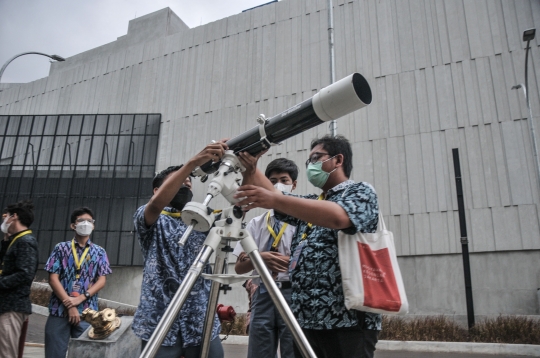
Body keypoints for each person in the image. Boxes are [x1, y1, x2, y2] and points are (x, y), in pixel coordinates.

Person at [235, 135, 381, 358]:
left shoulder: (360, 192)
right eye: (308, 161)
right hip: (305, 319)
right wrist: (251, 166)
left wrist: (276, 199)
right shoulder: (311, 204)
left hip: (346, 319)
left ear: (338, 160)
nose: (310, 165)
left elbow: (338, 218)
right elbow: (278, 198)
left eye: (316, 158)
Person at [132, 141, 228, 358]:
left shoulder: (205, 218)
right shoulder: (150, 218)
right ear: (157, 190)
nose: (187, 183)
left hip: (200, 319)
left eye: (189, 181)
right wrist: (192, 163)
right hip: (159, 320)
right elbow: (155, 205)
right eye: (179, 180)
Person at [233, 158, 299, 358]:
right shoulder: (255, 223)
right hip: (263, 293)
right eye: (273, 180)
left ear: (294, 184)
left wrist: (292, 263)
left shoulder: (305, 220)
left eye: (284, 180)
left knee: (294, 349)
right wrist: (259, 259)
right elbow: (239, 267)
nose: (279, 184)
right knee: (260, 351)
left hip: (293, 293)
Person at [44, 207, 112, 358]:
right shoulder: (61, 248)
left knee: (85, 354)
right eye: (81, 221)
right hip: (59, 311)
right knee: (54, 354)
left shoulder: (99, 252)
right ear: (73, 225)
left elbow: (101, 280)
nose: (86, 224)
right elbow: (52, 278)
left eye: (89, 221)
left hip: (88, 313)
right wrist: (70, 303)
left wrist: (80, 298)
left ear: (93, 225)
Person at [0, 200, 39, 358]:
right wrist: (6, 240)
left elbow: (25, 274)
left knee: (6, 353)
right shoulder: (16, 240)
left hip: (12, 306)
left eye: (6, 216)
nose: (4, 220)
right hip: (6, 305)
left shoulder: (25, 242)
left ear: (14, 217)